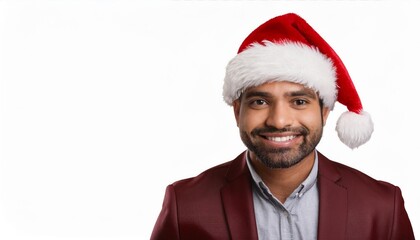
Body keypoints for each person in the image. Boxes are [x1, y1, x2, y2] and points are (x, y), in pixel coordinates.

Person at [150, 13, 414, 240]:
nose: (278, 121)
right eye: (260, 101)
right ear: (237, 111)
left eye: (299, 101)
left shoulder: (382, 207)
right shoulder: (184, 204)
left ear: (324, 112)